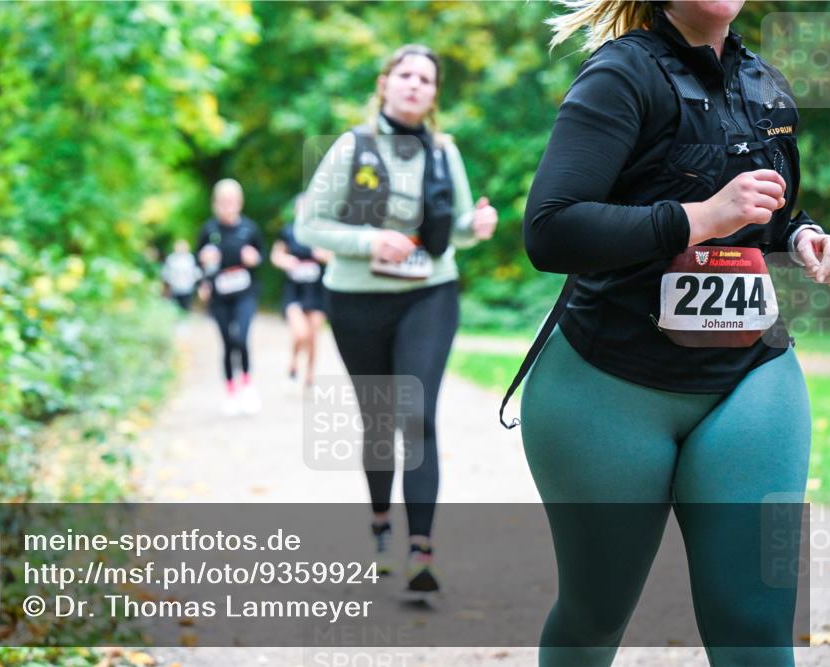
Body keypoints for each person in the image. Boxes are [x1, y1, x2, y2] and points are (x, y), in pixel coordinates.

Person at [516, 1, 828, 665]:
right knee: (595, 614)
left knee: (756, 621)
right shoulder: (620, 76)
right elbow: (551, 228)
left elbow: (764, 208)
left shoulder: (764, 82)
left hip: (750, 377)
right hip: (610, 387)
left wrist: (800, 234)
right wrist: (699, 218)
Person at [297, 44, 498, 597]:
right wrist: (368, 242)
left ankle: (420, 551)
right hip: (357, 301)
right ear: (385, 84)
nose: (415, 85)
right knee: (381, 422)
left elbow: (453, 227)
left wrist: (475, 224)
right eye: (405, 75)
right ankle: (382, 522)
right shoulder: (352, 147)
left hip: (429, 295)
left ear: (434, 94)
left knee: (416, 417)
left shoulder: (442, 151)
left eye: (426, 79)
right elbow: (310, 225)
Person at [196, 179, 265, 417]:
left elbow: (261, 257)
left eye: (232, 201)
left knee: (242, 337)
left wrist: (254, 258)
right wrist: (203, 264)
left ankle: (247, 384)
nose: (227, 205)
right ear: (215, 203)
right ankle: (231, 391)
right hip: (219, 296)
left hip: (245, 293)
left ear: (239, 202)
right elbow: (198, 262)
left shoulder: (249, 228)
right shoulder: (209, 230)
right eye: (223, 201)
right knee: (227, 342)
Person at [271, 194, 332, 387]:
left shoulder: (321, 233)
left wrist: (323, 255)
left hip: (316, 291)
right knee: (301, 333)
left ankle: (310, 374)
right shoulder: (288, 232)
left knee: (314, 334)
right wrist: (285, 261)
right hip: (295, 291)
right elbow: (276, 255)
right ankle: (294, 359)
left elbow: (334, 256)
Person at [160, 239, 202, 312]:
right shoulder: (171, 258)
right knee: (174, 308)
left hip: (187, 288)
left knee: (185, 307)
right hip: (174, 287)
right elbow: (165, 272)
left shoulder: (190, 258)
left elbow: (196, 272)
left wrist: (193, 280)